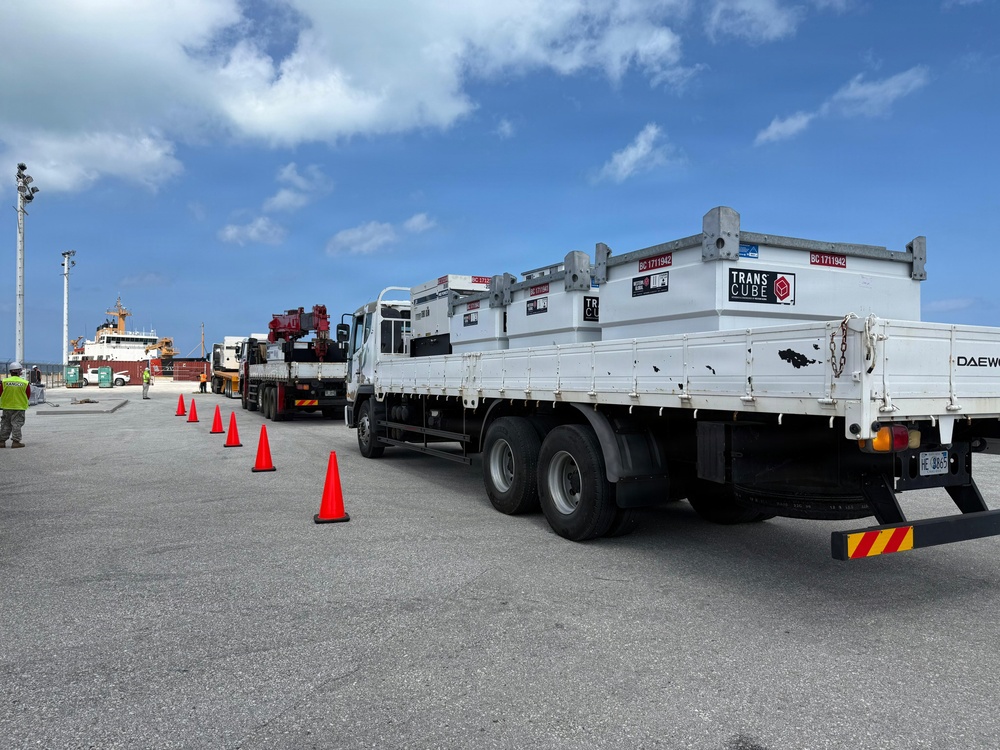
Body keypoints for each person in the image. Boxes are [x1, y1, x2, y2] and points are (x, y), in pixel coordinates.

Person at [0, 361, 31, 448]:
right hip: (19, 406)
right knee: (16, 424)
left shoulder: (4, 382)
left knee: (5, 423)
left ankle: (1, 441)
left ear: (10, 371)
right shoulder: (24, 382)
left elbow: (0, 393)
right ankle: (16, 441)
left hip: (6, 406)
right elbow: (28, 394)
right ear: (20, 372)